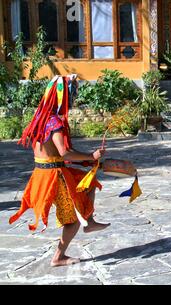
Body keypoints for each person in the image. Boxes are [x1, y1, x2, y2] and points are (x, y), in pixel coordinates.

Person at [9, 75, 110, 267]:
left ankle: (89, 220)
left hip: (43, 173)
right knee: (74, 219)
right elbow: (64, 153)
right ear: (63, 97)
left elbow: (55, 154)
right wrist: (91, 155)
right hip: (54, 176)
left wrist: (85, 162)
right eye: (71, 96)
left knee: (88, 181)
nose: (72, 100)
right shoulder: (55, 122)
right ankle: (59, 256)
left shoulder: (39, 118)